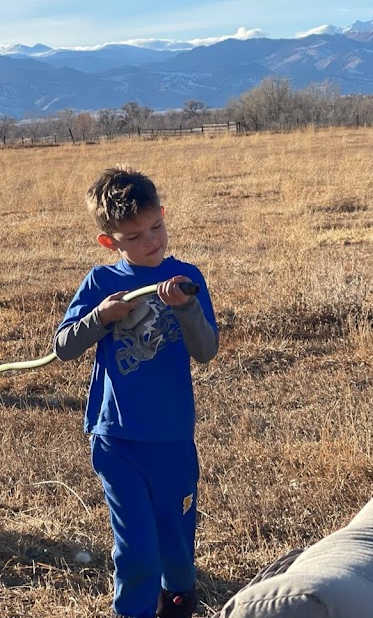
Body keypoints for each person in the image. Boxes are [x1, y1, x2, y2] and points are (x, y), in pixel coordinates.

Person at [54, 167, 219, 618]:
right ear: (110, 241)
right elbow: (63, 346)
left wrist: (185, 308)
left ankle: (179, 601)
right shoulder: (100, 283)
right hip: (118, 440)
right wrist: (101, 318)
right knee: (137, 551)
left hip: (172, 439)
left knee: (176, 541)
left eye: (156, 227)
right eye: (135, 235)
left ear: (164, 215)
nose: (151, 240)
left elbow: (206, 350)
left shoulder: (186, 277)